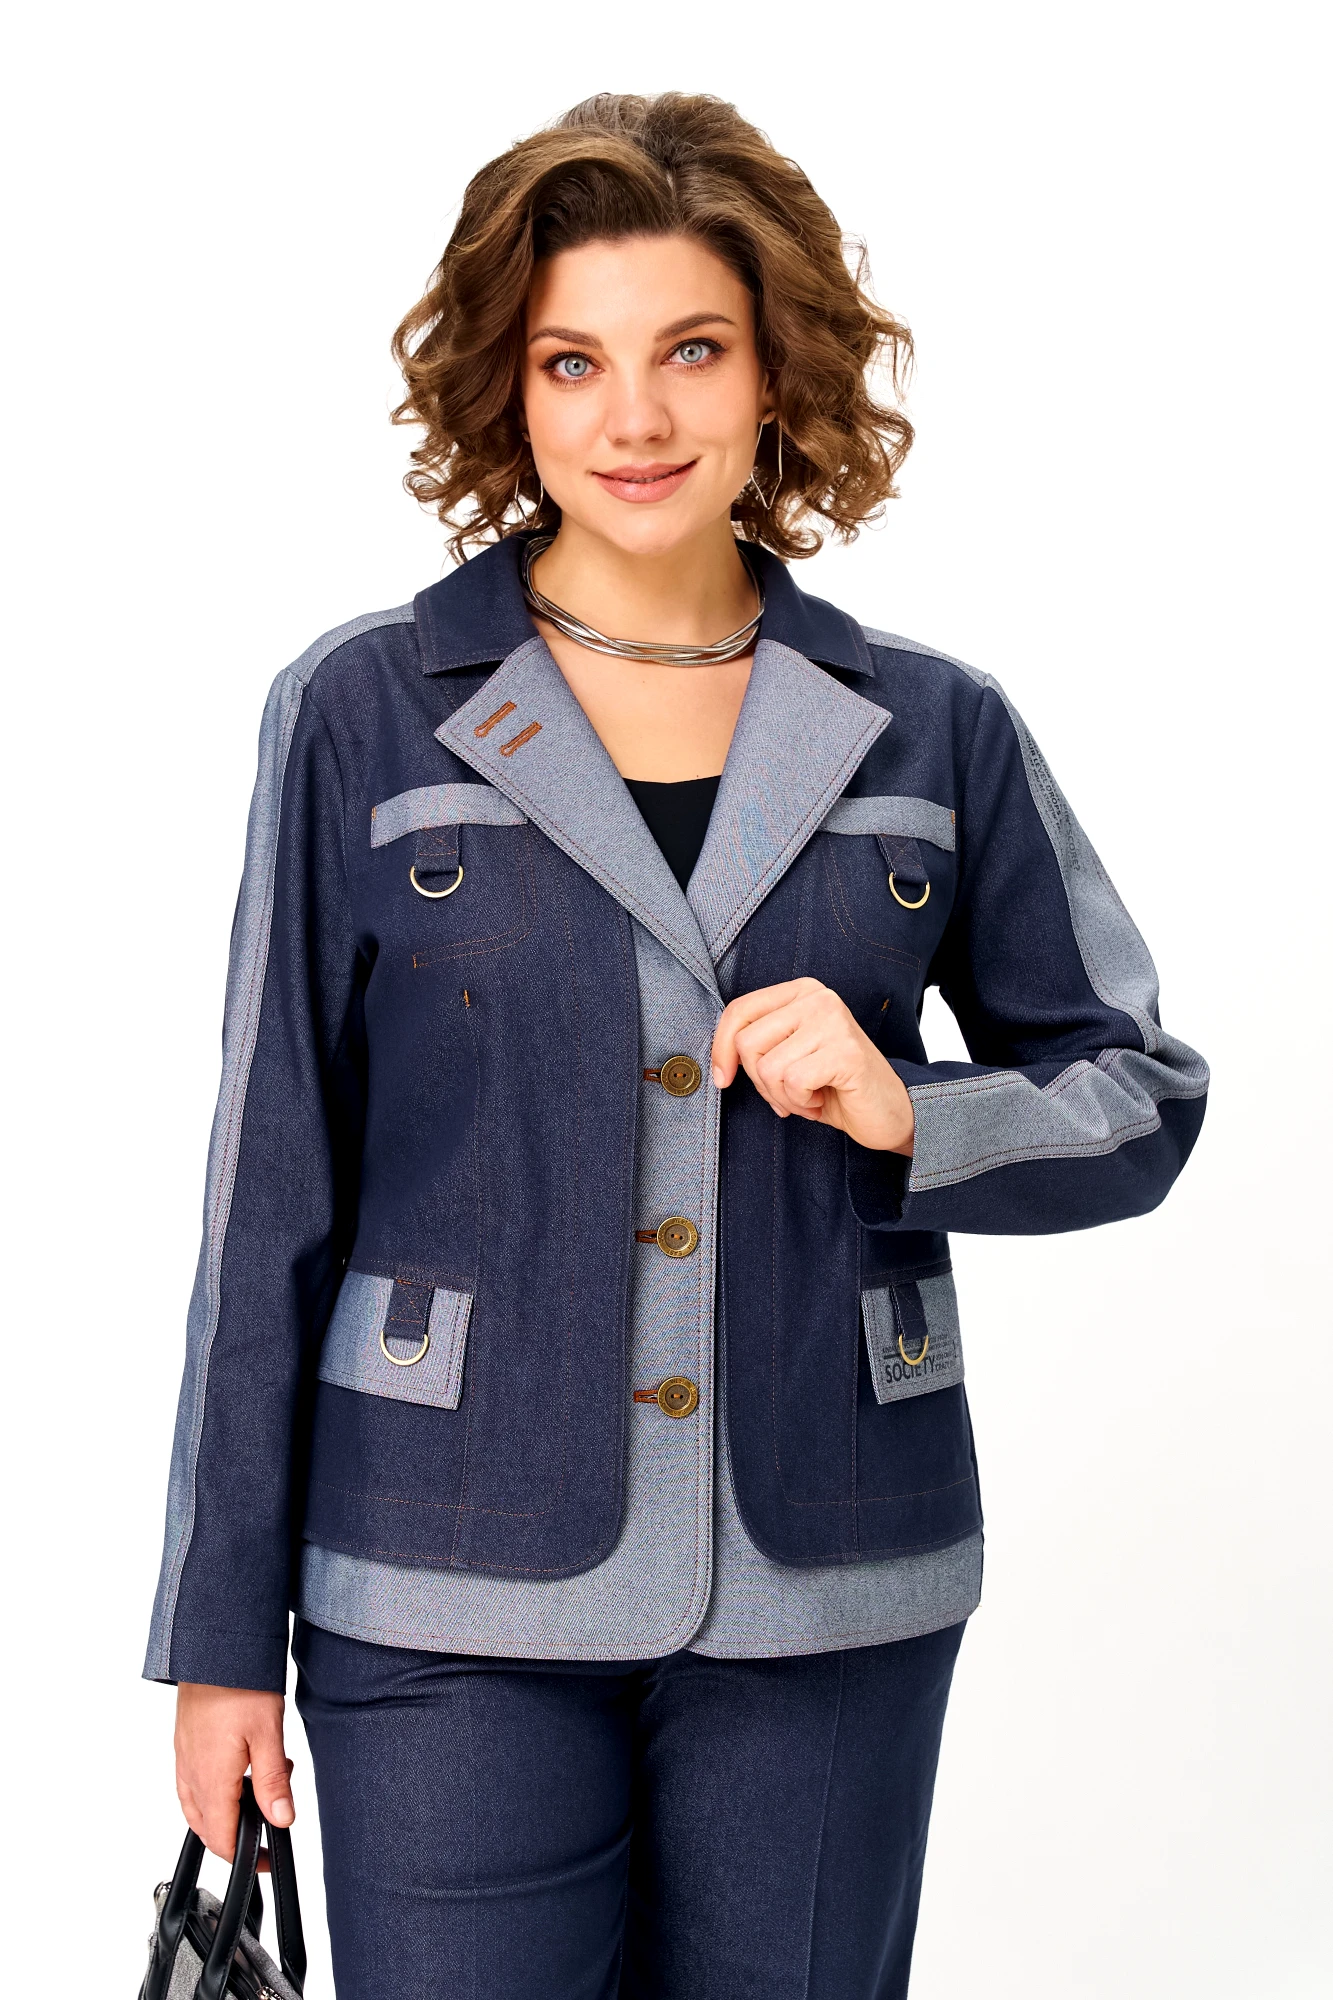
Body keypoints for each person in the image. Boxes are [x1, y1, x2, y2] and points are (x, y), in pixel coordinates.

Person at [147, 91, 1208, 1999]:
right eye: (575, 361)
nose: (635, 418)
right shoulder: (365, 710)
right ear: (510, 388)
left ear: (777, 371)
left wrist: (912, 1109)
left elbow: (1139, 1091)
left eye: (692, 351)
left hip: (834, 1583)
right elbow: (266, 1190)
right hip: (439, 1579)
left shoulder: (931, 728)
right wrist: (218, 1640)